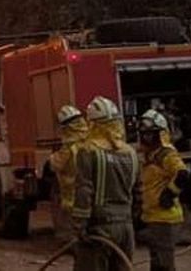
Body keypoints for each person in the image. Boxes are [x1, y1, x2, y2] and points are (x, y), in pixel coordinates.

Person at [71, 96, 141, 271]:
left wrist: (80, 225)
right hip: (126, 229)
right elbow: (139, 192)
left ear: (92, 124)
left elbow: (84, 190)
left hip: (99, 228)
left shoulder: (88, 151)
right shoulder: (130, 153)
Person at [137, 109, 191, 271]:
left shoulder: (166, 155)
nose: (146, 137)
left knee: (164, 265)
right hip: (154, 217)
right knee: (157, 264)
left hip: (165, 218)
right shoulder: (150, 156)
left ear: (159, 134)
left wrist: (169, 193)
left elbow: (182, 174)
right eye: (144, 134)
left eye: (150, 134)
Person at [49, 105, 90, 234]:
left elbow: (55, 164)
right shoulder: (91, 143)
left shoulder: (68, 149)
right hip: (89, 197)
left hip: (72, 200)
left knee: (73, 234)